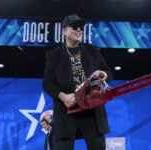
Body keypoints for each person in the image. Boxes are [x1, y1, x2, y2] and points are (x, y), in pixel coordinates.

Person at [43, 13, 113, 150]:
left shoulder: (93, 51)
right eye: (75, 27)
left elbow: (108, 73)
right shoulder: (54, 56)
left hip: (92, 111)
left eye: (81, 27)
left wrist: (103, 75)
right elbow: (47, 83)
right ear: (64, 31)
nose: (79, 30)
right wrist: (63, 97)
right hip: (66, 112)